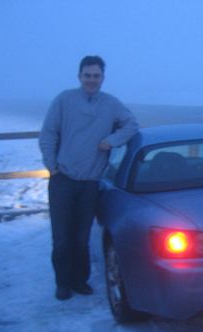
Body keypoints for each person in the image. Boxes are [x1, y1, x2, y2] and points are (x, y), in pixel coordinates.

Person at [39, 55, 139, 300]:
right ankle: (62, 283)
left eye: (96, 76)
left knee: (81, 237)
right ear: (79, 76)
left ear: (102, 78)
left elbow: (131, 125)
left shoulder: (111, 104)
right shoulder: (64, 100)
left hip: (90, 183)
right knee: (62, 237)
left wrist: (111, 141)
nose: (91, 80)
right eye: (87, 75)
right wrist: (52, 168)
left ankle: (80, 280)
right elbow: (48, 134)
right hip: (63, 179)